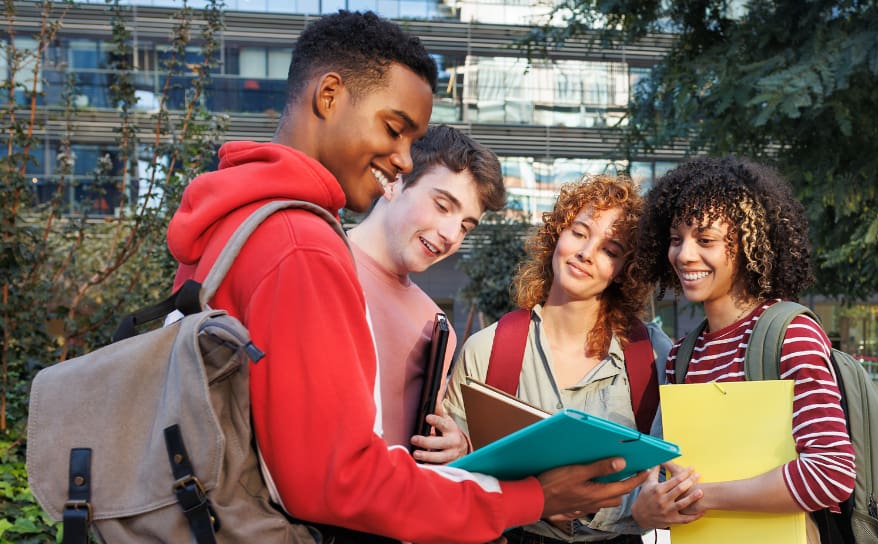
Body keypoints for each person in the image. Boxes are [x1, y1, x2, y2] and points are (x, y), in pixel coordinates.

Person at [166, 11, 643, 542]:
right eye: (394, 129)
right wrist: (531, 497)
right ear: (329, 96)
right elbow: (336, 481)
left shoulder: (240, 222)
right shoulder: (303, 246)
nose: (400, 159)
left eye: (465, 224)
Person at [628, 156, 856, 540]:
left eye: (705, 239)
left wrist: (705, 497)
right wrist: (647, 508)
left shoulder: (789, 335)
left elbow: (830, 474)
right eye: (675, 238)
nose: (684, 254)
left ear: (750, 244)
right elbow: (667, 479)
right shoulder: (680, 358)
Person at [445, 174, 677, 544]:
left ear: (623, 271)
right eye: (580, 232)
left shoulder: (651, 355)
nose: (586, 253)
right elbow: (456, 474)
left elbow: (671, 469)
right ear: (557, 234)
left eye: (610, 250)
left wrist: (629, 504)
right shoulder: (487, 349)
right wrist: (533, 499)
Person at [347, 124, 502, 464]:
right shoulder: (319, 262)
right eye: (442, 205)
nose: (450, 234)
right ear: (392, 181)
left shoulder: (434, 323)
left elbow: (423, 436)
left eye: (465, 226)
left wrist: (458, 446)